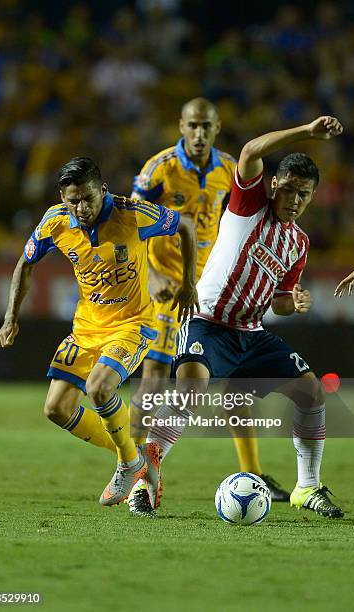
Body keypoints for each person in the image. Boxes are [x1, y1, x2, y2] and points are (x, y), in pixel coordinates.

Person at [146, 116, 345, 518]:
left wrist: (296, 302)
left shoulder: (298, 244)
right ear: (274, 186)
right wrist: (307, 132)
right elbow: (252, 151)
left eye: (303, 194)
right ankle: (144, 482)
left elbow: (280, 302)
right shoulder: (248, 204)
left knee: (312, 393)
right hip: (207, 321)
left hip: (251, 334)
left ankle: (307, 487)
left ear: (312, 197)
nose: (294, 200)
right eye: (288, 190)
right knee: (190, 390)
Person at [0, 156, 198, 509]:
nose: (81, 207)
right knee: (56, 409)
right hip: (87, 327)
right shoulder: (56, 221)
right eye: (73, 200)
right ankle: (139, 458)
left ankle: (129, 463)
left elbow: (187, 226)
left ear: (103, 190)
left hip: (133, 323)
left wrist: (188, 283)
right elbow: (24, 264)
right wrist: (11, 317)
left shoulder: (133, 214)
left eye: (88, 198)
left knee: (99, 388)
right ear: (62, 196)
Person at [129, 97, 289, 517]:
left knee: (235, 384)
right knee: (156, 378)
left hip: (211, 288)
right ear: (181, 126)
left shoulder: (228, 169)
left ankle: (252, 472)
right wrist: (151, 275)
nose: (199, 134)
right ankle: (132, 473)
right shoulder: (157, 169)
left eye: (207, 127)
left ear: (217, 129)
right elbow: (129, 224)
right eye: (192, 126)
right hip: (167, 286)